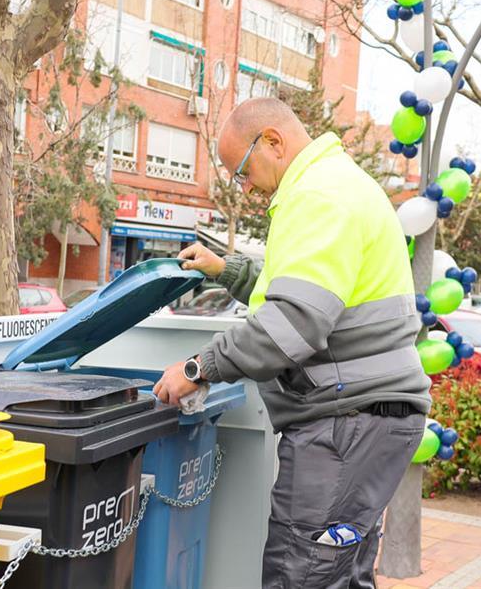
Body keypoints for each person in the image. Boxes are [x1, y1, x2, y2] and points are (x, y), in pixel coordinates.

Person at [153, 98, 431, 589]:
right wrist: (227, 269)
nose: (247, 188)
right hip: (370, 420)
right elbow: (308, 292)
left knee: (300, 574)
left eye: (242, 171)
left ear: (274, 142)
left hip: (346, 424)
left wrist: (199, 368)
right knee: (341, 574)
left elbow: (294, 324)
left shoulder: (318, 196)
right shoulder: (338, 184)